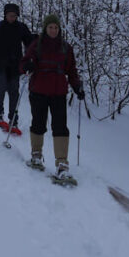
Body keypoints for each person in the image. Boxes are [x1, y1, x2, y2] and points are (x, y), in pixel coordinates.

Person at [20, 14, 84, 181]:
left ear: (59, 29)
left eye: (56, 27)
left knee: (60, 127)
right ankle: (36, 154)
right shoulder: (36, 45)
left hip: (58, 92)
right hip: (38, 90)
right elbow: (24, 62)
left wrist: (77, 86)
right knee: (38, 123)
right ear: (45, 28)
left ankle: (62, 164)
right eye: (50, 27)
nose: (53, 30)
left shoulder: (66, 48)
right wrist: (27, 65)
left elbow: (71, 70)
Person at [0, 3, 33, 133]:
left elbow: (29, 42)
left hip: (15, 65)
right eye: (10, 15)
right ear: (5, 15)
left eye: (14, 16)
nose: (12, 18)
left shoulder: (21, 27)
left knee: (14, 91)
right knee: (0, 89)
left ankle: (13, 119)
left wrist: (34, 44)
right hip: (0, 64)